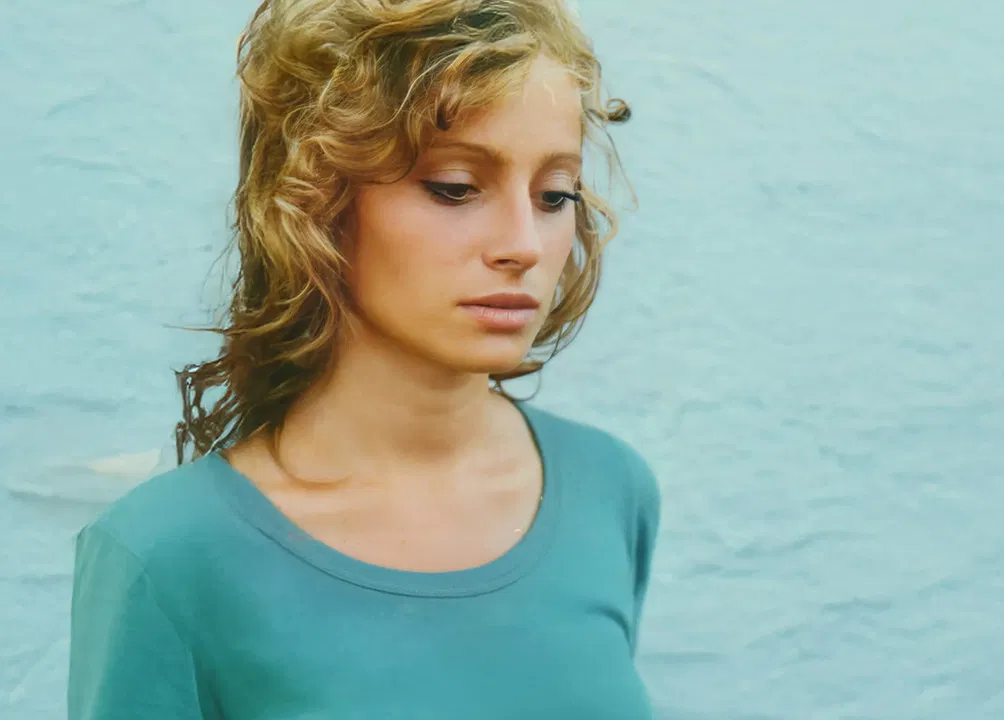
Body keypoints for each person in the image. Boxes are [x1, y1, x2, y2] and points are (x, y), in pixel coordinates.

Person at [66, 0, 661, 717]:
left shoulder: (609, 490)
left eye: (554, 195)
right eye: (455, 187)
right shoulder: (166, 556)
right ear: (318, 200)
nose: (524, 245)